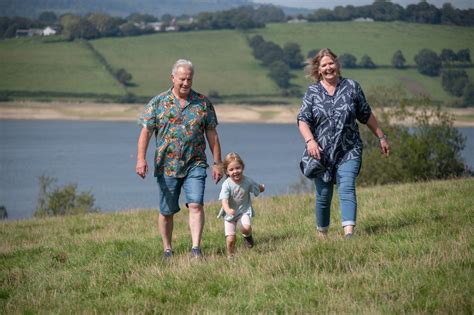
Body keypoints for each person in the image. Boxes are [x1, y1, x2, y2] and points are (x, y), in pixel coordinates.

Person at [297, 48, 390, 238]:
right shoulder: (313, 92)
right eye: (324, 65)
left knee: (346, 186)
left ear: (337, 64)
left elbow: (365, 114)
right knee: (323, 196)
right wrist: (310, 141)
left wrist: (381, 136)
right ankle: (322, 233)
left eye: (331, 63)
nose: (329, 67)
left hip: (349, 149)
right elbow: (303, 120)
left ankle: (349, 234)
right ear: (319, 69)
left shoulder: (352, 87)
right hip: (320, 153)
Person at [135, 59, 223, 259]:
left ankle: (195, 249)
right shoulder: (158, 103)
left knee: (196, 204)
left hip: (196, 163)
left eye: (189, 79)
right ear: (172, 78)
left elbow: (212, 134)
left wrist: (218, 163)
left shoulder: (202, 103)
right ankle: (167, 249)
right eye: (182, 79)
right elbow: (146, 133)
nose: (185, 83)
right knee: (167, 211)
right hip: (167, 165)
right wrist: (141, 159)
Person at [217, 152, 265, 258]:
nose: (235, 172)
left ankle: (248, 237)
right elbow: (224, 201)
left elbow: (256, 187)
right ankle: (231, 256)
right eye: (231, 170)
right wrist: (228, 210)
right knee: (230, 239)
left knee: (246, 228)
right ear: (226, 172)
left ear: (242, 167)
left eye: (237, 168)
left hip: (243, 211)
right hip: (229, 215)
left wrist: (262, 188)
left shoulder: (247, 181)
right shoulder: (226, 184)